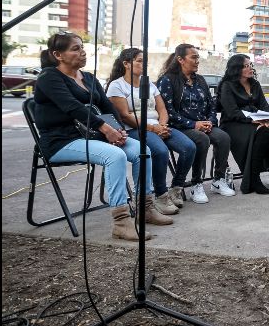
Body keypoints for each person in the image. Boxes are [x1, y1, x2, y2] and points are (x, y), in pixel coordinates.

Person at [33, 32, 172, 241]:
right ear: (58, 55)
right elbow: (72, 107)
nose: (82, 52)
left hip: (93, 136)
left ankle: (145, 208)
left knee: (142, 150)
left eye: (82, 47)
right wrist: (107, 130)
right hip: (61, 141)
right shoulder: (49, 77)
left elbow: (107, 106)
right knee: (115, 156)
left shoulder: (88, 78)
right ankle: (121, 221)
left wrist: (119, 129)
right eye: (75, 49)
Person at [106, 47, 197, 214]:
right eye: (139, 61)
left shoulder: (148, 84)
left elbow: (162, 109)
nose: (144, 64)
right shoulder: (117, 85)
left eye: (145, 61)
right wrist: (153, 128)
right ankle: (161, 195)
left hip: (157, 126)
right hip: (135, 128)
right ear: (126, 64)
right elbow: (125, 116)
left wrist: (161, 126)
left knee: (189, 147)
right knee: (160, 151)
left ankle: (176, 188)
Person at [157, 43, 234, 204]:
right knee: (201, 139)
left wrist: (210, 122)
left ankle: (218, 180)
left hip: (202, 124)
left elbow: (211, 105)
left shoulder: (200, 80)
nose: (197, 61)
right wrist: (194, 124)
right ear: (180, 59)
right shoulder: (167, 80)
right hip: (180, 127)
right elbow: (168, 112)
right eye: (193, 57)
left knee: (223, 137)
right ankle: (196, 184)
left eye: (198, 57)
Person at [216, 54, 269, 194]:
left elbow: (264, 106)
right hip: (233, 124)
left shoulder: (255, 84)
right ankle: (254, 179)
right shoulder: (227, 85)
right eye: (246, 66)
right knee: (264, 132)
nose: (250, 68)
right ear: (237, 69)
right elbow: (232, 112)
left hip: (256, 119)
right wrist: (254, 120)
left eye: (250, 65)